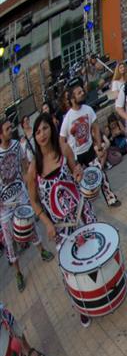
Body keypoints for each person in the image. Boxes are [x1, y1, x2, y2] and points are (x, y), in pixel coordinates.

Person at [26, 114, 97, 326]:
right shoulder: (33, 169)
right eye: (37, 132)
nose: (42, 135)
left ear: (52, 129)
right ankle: (83, 306)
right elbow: (34, 202)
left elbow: (76, 170)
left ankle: (104, 290)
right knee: (72, 270)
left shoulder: (63, 150)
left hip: (82, 212)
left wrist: (78, 172)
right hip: (60, 227)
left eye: (45, 129)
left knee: (95, 252)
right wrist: (47, 223)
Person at [1, 119, 55, 291]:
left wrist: (28, 182)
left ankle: (42, 251)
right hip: (5, 206)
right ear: (0, 134)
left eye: (11, 127)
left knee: (30, 226)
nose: (11, 130)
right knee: (10, 242)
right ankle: (18, 273)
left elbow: (25, 165)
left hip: (21, 196)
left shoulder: (17, 145)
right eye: (7, 128)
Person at [59, 84, 119, 207]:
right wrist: (70, 161)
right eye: (79, 92)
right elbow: (61, 141)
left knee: (100, 174)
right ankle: (84, 208)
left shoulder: (88, 109)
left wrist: (99, 146)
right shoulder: (68, 118)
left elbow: (96, 128)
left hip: (89, 151)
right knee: (80, 183)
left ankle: (110, 198)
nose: (82, 93)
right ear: (72, 98)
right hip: (76, 157)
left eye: (82, 91)